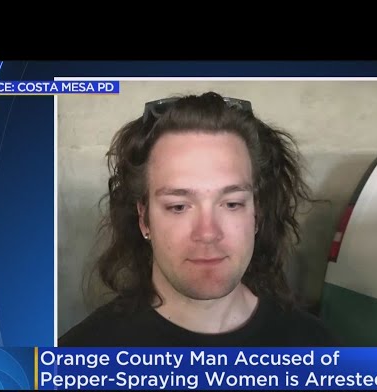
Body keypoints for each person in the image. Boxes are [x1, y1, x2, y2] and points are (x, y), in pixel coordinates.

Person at [59, 92, 334, 347]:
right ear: (144, 219)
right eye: (178, 207)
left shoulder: (318, 349)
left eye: (232, 204)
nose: (207, 233)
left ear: (256, 214)